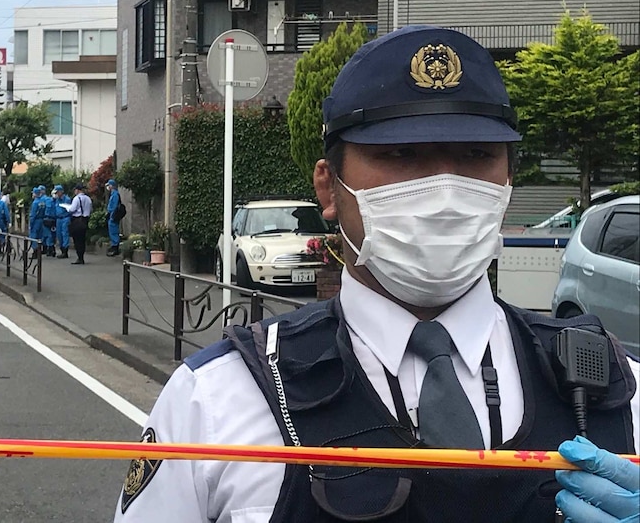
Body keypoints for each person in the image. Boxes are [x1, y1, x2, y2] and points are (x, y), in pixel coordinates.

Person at [112, 26, 640, 523]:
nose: (444, 192)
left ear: (507, 180)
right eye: (400, 155)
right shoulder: (217, 400)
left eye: (476, 155)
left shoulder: (621, 390)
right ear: (329, 186)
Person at [64, 182, 92, 265]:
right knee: (82, 239)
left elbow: (72, 209)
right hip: (85, 219)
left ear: (77, 190)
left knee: (77, 239)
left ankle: (80, 257)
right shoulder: (88, 198)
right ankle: (81, 256)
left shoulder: (77, 198)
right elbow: (90, 209)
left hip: (77, 219)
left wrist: (67, 208)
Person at [52, 185, 72, 259]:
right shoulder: (56, 200)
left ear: (61, 192)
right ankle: (61, 249)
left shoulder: (66, 199)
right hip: (58, 219)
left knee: (65, 234)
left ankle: (65, 251)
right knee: (59, 235)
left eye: (57, 192)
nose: (56, 194)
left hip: (65, 218)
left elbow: (68, 209)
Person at [105, 178, 122, 257]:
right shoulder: (113, 194)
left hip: (113, 215)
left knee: (114, 230)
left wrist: (110, 212)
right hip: (112, 215)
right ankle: (114, 245)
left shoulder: (115, 194)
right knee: (112, 230)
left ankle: (115, 247)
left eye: (109, 185)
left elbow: (114, 206)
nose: (108, 187)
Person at [41, 185, 57, 258]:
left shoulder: (45, 200)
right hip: (51, 219)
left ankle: (50, 249)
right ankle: (50, 248)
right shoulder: (49, 200)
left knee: (48, 234)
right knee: (49, 234)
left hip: (49, 219)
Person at [29, 187, 44, 256]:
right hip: (41, 220)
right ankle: (39, 250)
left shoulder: (35, 203)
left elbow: (33, 214)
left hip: (35, 221)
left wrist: (31, 224)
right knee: (40, 236)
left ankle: (35, 251)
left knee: (33, 236)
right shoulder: (42, 202)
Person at [0, 189, 10, 254]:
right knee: (2, 235)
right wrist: (8, 221)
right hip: (1, 221)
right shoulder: (2, 203)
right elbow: (6, 213)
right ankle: (0, 249)